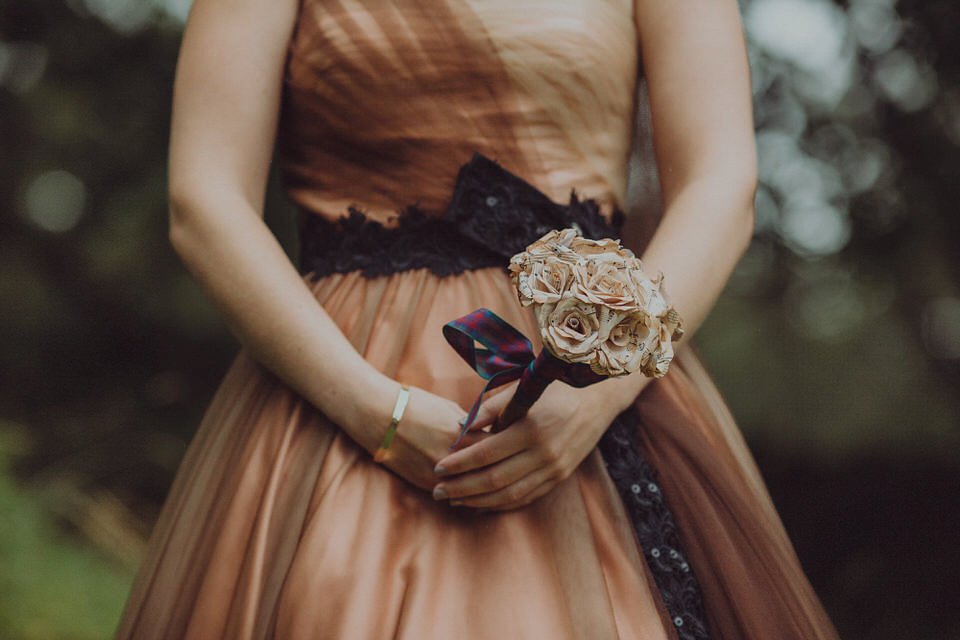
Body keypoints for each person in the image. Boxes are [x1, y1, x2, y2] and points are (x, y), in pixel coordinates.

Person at [116, 0, 840, 638]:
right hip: (338, 383)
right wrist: (380, 414)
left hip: (588, 370)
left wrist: (598, 395)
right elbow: (205, 201)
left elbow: (721, 182)